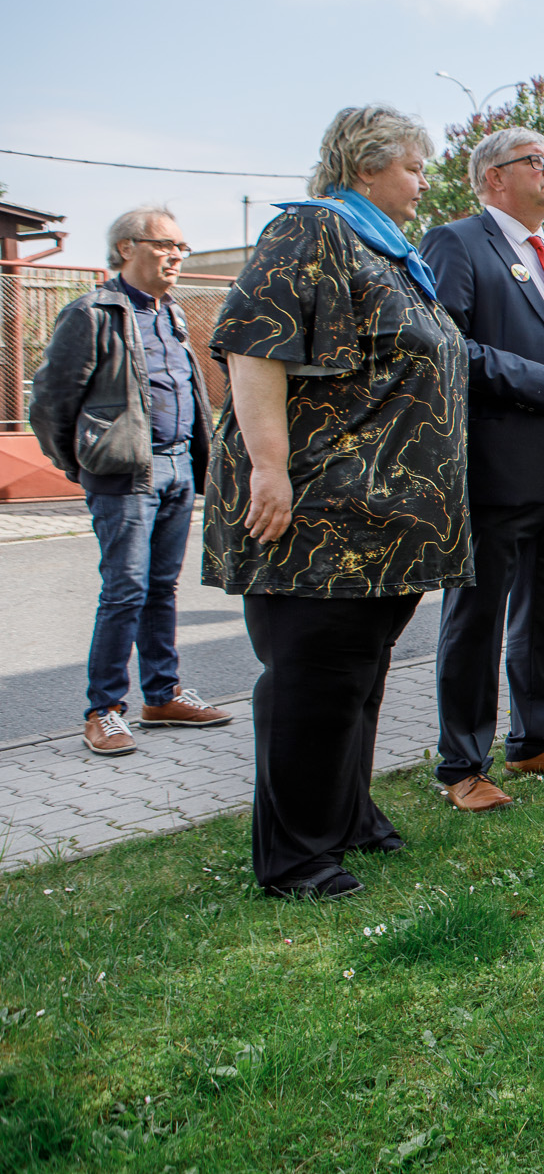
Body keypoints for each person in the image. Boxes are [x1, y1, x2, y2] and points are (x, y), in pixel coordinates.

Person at [203, 104, 471, 899]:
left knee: (355, 672)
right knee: (312, 678)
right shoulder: (311, 231)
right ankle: (295, 856)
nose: (424, 183)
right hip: (323, 513)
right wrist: (270, 467)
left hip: (382, 523)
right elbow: (255, 344)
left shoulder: (385, 250)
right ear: (364, 166)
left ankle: (345, 814)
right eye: (414, 168)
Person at [421, 128, 544, 813]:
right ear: (493, 177)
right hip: (496, 461)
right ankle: (462, 763)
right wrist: (540, 381)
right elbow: (445, 345)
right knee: (477, 614)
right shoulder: (458, 242)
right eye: (538, 161)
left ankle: (535, 737)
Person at [31, 205, 228, 756]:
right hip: (124, 474)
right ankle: (104, 710)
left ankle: (161, 695)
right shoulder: (92, 313)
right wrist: (82, 465)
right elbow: (50, 404)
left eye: (181, 248)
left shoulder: (172, 314)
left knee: (161, 589)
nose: (176, 257)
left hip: (176, 468)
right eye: (166, 245)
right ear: (126, 249)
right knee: (124, 592)